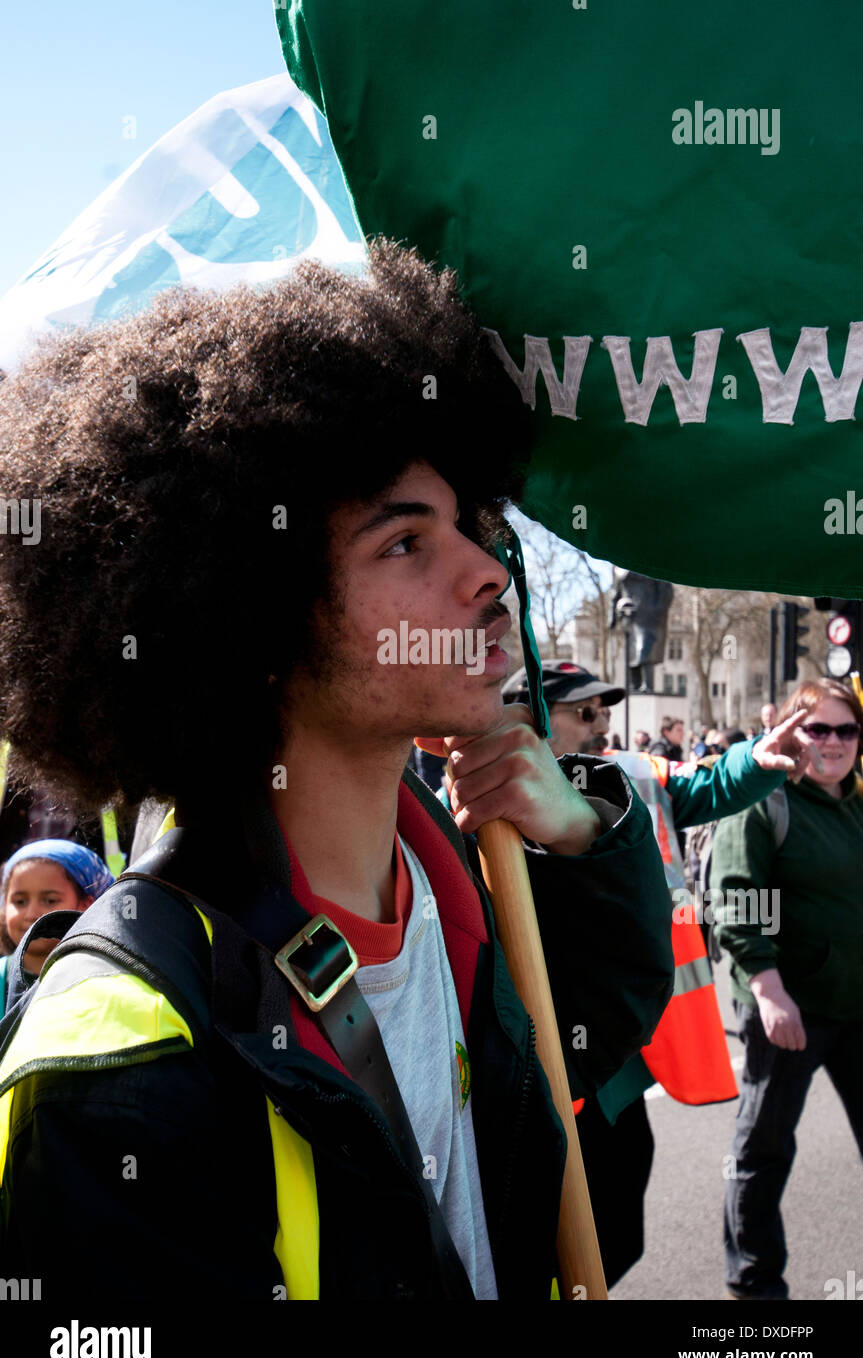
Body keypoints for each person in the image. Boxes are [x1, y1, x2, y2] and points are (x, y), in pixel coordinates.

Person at [0, 243, 674, 1301]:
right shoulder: (116, 1057)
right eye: (404, 544)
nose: (487, 572)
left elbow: (589, 1039)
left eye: (466, 523)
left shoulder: (455, 874)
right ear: (250, 619)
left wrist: (588, 838)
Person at [501, 663, 816, 1284]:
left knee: (616, 1234)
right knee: (550, 1246)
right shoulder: (483, 803)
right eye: (584, 713)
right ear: (529, 719)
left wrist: (757, 756)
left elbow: (711, 785)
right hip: (539, 1062)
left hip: (617, 1059)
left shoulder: (635, 775)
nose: (602, 727)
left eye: (605, 712)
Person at [710, 677, 863, 1301]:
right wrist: (769, 988)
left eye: (845, 729)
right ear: (792, 732)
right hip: (788, 1009)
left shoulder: (855, 802)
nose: (832, 742)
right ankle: (755, 1293)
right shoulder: (766, 796)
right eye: (817, 728)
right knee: (764, 1152)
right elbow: (738, 896)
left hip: (856, 1006)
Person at [0, 840, 114, 1013]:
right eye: (20, 902)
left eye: (50, 901)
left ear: (86, 905)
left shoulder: (104, 981)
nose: (31, 914)